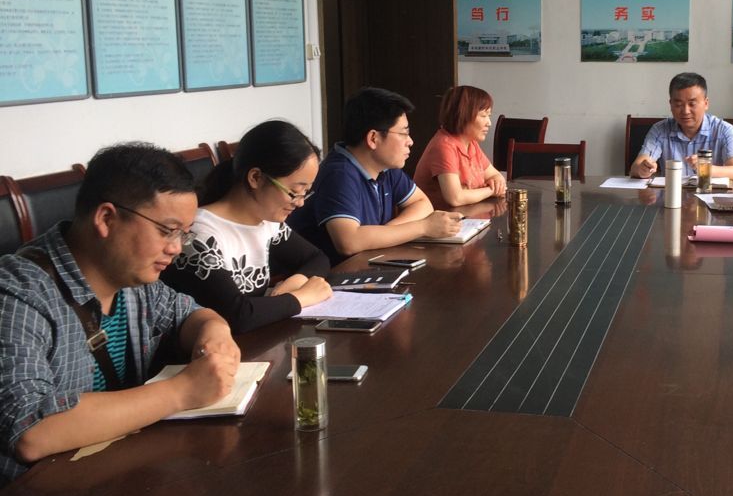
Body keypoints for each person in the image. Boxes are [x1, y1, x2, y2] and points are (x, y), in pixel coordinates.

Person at [0, 144, 241, 485]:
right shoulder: (18, 293)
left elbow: (192, 314)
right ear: (106, 219)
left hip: (119, 477)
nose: (175, 248)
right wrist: (182, 391)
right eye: (167, 230)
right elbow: (31, 432)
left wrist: (216, 334)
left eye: (183, 234)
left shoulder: (133, 279)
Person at [163, 120, 332, 334]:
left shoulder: (267, 223)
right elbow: (236, 315)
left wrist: (296, 281)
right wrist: (302, 297)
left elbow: (317, 258)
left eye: (306, 192)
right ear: (256, 178)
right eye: (294, 192)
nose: (300, 203)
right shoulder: (199, 234)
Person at [288, 87, 463, 264]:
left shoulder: (385, 167)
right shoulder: (339, 174)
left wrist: (384, 233)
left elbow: (422, 203)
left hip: (365, 266)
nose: (410, 141)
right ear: (373, 138)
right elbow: (348, 242)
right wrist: (424, 227)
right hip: (325, 274)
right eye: (403, 133)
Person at [629, 72, 733, 181]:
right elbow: (635, 168)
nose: (685, 111)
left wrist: (706, 168)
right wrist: (643, 170)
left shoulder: (724, 130)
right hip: (670, 194)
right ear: (670, 104)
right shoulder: (659, 130)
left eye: (692, 104)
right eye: (678, 104)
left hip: (710, 194)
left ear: (706, 103)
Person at [412, 85, 507, 208]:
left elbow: (495, 176)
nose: (489, 123)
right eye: (484, 116)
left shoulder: (471, 143)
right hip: (439, 217)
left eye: (489, 116)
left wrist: (496, 183)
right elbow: (455, 198)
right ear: (463, 115)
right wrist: (491, 190)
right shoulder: (444, 145)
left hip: (467, 215)